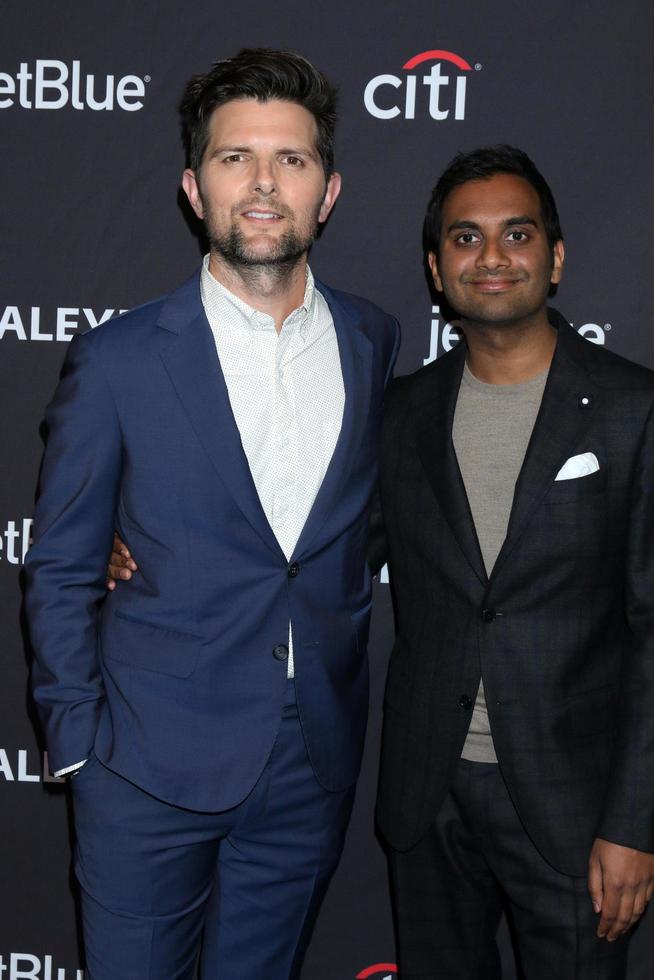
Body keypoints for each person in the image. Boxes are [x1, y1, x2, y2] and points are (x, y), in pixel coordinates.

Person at [24, 48, 399, 980]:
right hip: (143, 766)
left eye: (293, 160)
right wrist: (77, 747)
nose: (265, 183)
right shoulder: (117, 359)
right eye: (237, 159)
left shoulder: (372, 339)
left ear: (330, 190)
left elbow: (355, 529)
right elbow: (63, 562)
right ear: (196, 188)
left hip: (310, 762)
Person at [371, 144, 654, 979]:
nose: (491, 257)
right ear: (435, 267)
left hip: (577, 811)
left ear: (555, 257)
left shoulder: (635, 411)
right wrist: (148, 545)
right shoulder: (400, 413)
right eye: (465, 239)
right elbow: (320, 551)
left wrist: (635, 823)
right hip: (429, 796)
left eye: (516, 234)